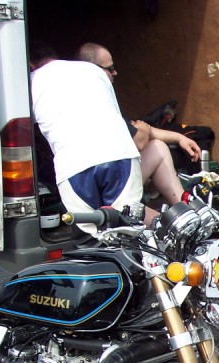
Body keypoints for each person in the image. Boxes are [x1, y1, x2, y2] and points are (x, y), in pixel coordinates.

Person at [29, 41, 142, 235]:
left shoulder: (30, 81)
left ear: (31, 65)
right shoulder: (93, 71)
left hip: (74, 167)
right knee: (127, 232)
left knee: (89, 240)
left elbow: (24, 127)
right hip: (119, 154)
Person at [77, 42, 201, 207]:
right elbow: (140, 139)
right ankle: (183, 213)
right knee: (155, 149)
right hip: (95, 190)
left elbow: (139, 129)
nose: (115, 72)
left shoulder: (100, 97)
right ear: (93, 70)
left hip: (108, 181)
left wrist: (179, 138)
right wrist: (144, 129)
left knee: (157, 146)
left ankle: (184, 209)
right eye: (110, 68)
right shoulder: (90, 102)